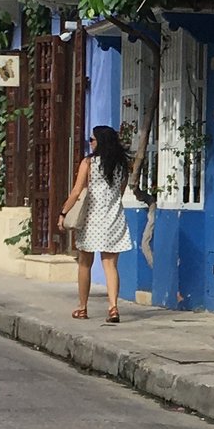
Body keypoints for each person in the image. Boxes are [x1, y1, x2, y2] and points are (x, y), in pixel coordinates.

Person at [62, 125, 135, 324]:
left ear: (99, 142)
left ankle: (82, 307)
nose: (90, 143)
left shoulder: (89, 163)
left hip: (90, 220)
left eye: (92, 139)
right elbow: (119, 194)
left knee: (85, 263)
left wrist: (63, 213)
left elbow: (77, 192)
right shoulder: (122, 165)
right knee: (110, 265)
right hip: (113, 219)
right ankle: (113, 308)